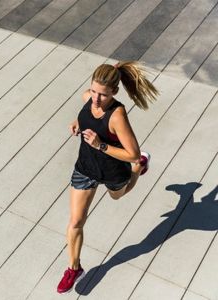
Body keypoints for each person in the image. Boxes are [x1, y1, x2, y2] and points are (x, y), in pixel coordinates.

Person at [57, 61, 159, 294]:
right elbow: (86, 114)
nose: (95, 98)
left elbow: (131, 152)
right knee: (75, 222)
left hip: (113, 169)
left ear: (114, 92)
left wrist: (101, 145)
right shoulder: (88, 98)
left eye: (102, 95)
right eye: (93, 91)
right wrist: (77, 123)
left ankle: (139, 168)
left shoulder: (117, 115)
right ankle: (74, 268)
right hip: (85, 168)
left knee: (118, 195)